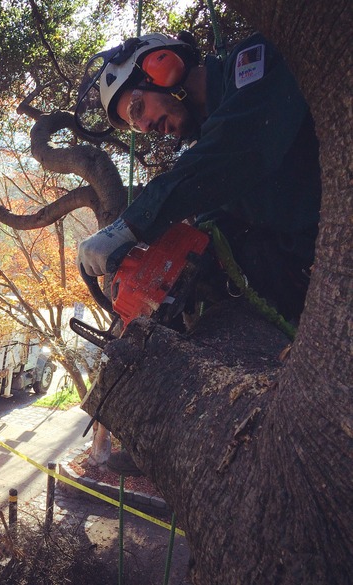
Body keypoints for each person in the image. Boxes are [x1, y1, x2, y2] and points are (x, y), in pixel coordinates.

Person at [75, 32, 321, 474]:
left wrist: (130, 225)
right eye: (134, 125)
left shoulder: (255, 65)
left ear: (161, 65)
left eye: (137, 109)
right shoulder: (209, 150)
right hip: (302, 278)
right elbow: (213, 209)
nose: (145, 127)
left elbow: (237, 149)